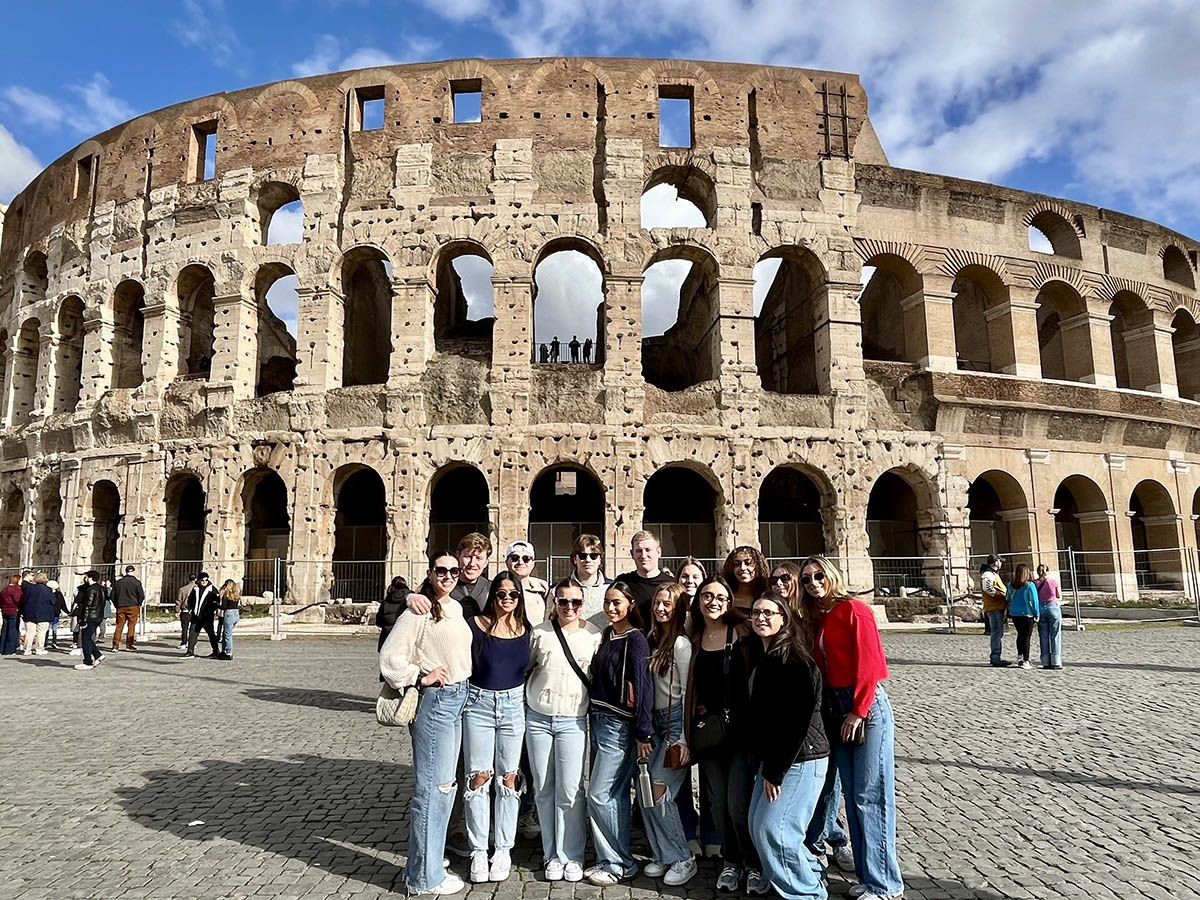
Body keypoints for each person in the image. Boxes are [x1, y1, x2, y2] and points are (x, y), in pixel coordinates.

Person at [805, 555, 902, 900]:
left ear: (832, 576)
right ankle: (867, 874)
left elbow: (870, 663)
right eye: (807, 579)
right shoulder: (823, 616)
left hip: (864, 708)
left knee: (871, 795)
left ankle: (886, 884)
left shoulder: (854, 610)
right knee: (852, 794)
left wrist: (858, 712)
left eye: (819, 576)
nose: (813, 583)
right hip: (836, 707)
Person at [380, 550, 474, 896]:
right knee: (431, 791)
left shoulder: (455, 607)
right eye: (441, 570)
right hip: (435, 702)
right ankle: (422, 877)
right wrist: (420, 677)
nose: (449, 575)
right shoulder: (416, 611)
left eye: (453, 570)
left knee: (445, 788)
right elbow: (389, 660)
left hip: (459, 697)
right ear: (431, 573)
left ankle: (431, 863)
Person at [685, 576, 765, 895]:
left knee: (737, 804)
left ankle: (754, 864)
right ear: (699, 601)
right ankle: (730, 861)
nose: (713, 601)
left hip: (741, 732)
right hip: (709, 732)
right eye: (707, 595)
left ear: (729, 602)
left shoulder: (744, 633)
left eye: (720, 596)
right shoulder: (694, 638)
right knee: (717, 804)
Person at [747, 591, 829, 900]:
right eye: (756, 612)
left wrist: (775, 771)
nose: (761, 618)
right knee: (758, 827)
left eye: (769, 612)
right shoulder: (768, 655)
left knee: (775, 830)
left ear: (784, 619)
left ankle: (806, 894)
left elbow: (797, 720)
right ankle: (811, 873)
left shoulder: (792, 657)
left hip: (799, 758)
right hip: (778, 759)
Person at [524, 578, 602, 883]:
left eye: (575, 602)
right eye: (563, 601)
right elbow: (527, 666)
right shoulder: (540, 633)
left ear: (583, 604)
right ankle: (551, 853)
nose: (569, 607)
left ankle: (572, 854)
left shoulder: (593, 635)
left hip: (572, 719)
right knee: (544, 788)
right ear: (554, 603)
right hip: (539, 717)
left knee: (570, 789)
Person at [463, 573, 532, 883]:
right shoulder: (475, 625)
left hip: (514, 706)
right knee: (478, 778)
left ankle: (503, 847)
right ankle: (479, 849)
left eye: (513, 594)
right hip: (478, 704)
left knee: (508, 779)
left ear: (519, 598)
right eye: (501, 593)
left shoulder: (526, 631)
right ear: (493, 596)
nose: (507, 599)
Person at [585, 582, 654, 885]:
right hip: (598, 719)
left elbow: (643, 687)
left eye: (617, 602)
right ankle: (611, 859)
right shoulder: (608, 635)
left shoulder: (636, 640)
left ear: (630, 604)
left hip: (619, 724)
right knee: (614, 795)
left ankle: (618, 862)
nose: (611, 608)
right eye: (607, 602)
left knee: (600, 794)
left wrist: (643, 732)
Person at [641, 583, 697, 886]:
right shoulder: (654, 639)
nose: (661, 608)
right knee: (648, 789)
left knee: (660, 789)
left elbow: (689, 694)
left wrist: (684, 738)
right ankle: (664, 853)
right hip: (657, 721)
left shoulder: (680, 644)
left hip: (676, 721)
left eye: (668, 604)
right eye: (658, 603)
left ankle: (682, 857)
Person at [616, 531, 675, 626]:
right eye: (639, 551)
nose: (643, 555)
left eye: (648, 550)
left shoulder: (672, 584)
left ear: (659, 552)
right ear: (632, 554)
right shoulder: (623, 583)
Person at [569, 533, 610, 626]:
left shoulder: (611, 588)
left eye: (594, 556)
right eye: (582, 556)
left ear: (600, 559)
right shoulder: (559, 590)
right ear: (575, 559)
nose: (588, 560)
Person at [1006, 563, 1040, 670]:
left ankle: (1020, 657)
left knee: (1020, 635)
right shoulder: (1030, 585)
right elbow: (1034, 601)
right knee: (1026, 637)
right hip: (1027, 614)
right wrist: (1037, 614)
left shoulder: (1011, 585)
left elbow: (1007, 597)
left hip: (1015, 614)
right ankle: (1026, 660)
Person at [505, 540, 548, 623]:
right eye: (515, 558)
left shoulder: (543, 590)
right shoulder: (496, 589)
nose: (520, 562)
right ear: (507, 562)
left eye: (526, 559)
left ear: (533, 564)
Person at [71, 570, 106, 671]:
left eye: (86, 577)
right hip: (98, 616)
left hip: (91, 616)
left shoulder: (91, 589)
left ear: (90, 577)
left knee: (85, 639)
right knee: (88, 638)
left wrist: (83, 620)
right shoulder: (101, 588)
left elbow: (88, 606)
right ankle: (97, 655)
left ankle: (87, 661)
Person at [980, 555, 1010, 667]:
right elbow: (987, 588)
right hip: (994, 607)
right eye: (1000, 561)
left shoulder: (991, 574)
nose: (1001, 564)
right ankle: (995, 657)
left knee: (998, 632)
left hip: (997, 606)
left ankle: (996, 656)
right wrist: (1001, 595)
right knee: (996, 633)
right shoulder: (988, 574)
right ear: (996, 562)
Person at [723, 546, 769, 615]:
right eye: (737, 564)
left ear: (758, 566)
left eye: (748, 563)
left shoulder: (767, 597)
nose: (742, 568)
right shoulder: (725, 597)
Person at [1034, 564, 1063, 669]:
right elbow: (1058, 595)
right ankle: (1056, 660)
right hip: (1052, 606)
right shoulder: (1053, 582)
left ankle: (1045, 661)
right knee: (1055, 634)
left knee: (1043, 635)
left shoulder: (1034, 583)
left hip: (1040, 608)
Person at [184, 572, 219, 658]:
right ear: (199, 580)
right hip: (196, 616)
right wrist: (191, 609)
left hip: (207, 617)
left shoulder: (212, 590)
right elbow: (190, 600)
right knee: (192, 633)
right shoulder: (195, 589)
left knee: (211, 634)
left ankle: (216, 652)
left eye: (206, 580)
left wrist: (210, 611)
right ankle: (190, 651)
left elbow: (216, 602)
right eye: (202, 580)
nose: (204, 582)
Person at [110, 565, 145, 652]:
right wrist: (139, 603)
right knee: (131, 626)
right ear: (133, 571)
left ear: (125, 572)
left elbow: (112, 595)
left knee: (119, 626)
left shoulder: (118, 582)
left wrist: (116, 604)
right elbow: (141, 595)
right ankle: (129, 645)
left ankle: (115, 646)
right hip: (133, 606)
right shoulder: (136, 582)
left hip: (121, 606)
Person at [21, 572, 56, 656]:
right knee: (41, 632)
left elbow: (24, 600)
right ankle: (39, 649)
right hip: (44, 614)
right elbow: (53, 601)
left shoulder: (30, 588)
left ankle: (27, 649)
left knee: (30, 632)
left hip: (29, 613)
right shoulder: (48, 590)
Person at [376, 574, 411, 651]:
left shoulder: (386, 601)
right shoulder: (411, 599)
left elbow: (378, 622)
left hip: (387, 637)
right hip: (405, 638)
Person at [217, 579, 241, 660]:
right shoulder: (236, 594)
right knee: (226, 633)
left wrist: (216, 604)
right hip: (236, 613)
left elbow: (223, 607)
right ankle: (224, 650)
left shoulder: (226, 595)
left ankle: (228, 652)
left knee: (227, 635)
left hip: (229, 614)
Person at [2, 574, 23, 655]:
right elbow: (18, 600)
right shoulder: (15, 589)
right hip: (13, 610)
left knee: (4, 630)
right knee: (12, 630)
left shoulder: (4, 589)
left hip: (5, 611)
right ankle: (10, 650)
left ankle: (2, 648)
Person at [47, 580, 69, 651]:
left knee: (53, 628)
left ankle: (52, 642)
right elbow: (62, 604)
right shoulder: (57, 594)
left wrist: (68, 612)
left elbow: (62, 603)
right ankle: (48, 642)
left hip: (53, 614)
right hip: (51, 613)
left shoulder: (56, 594)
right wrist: (68, 612)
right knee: (50, 628)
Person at [177, 574, 196, 651]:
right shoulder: (197, 589)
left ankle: (184, 643)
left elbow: (179, 601)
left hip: (185, 610)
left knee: (184, 628)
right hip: (195, 611)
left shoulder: (182, 589)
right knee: (194, 628)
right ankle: (193, 643)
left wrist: (177, 610)